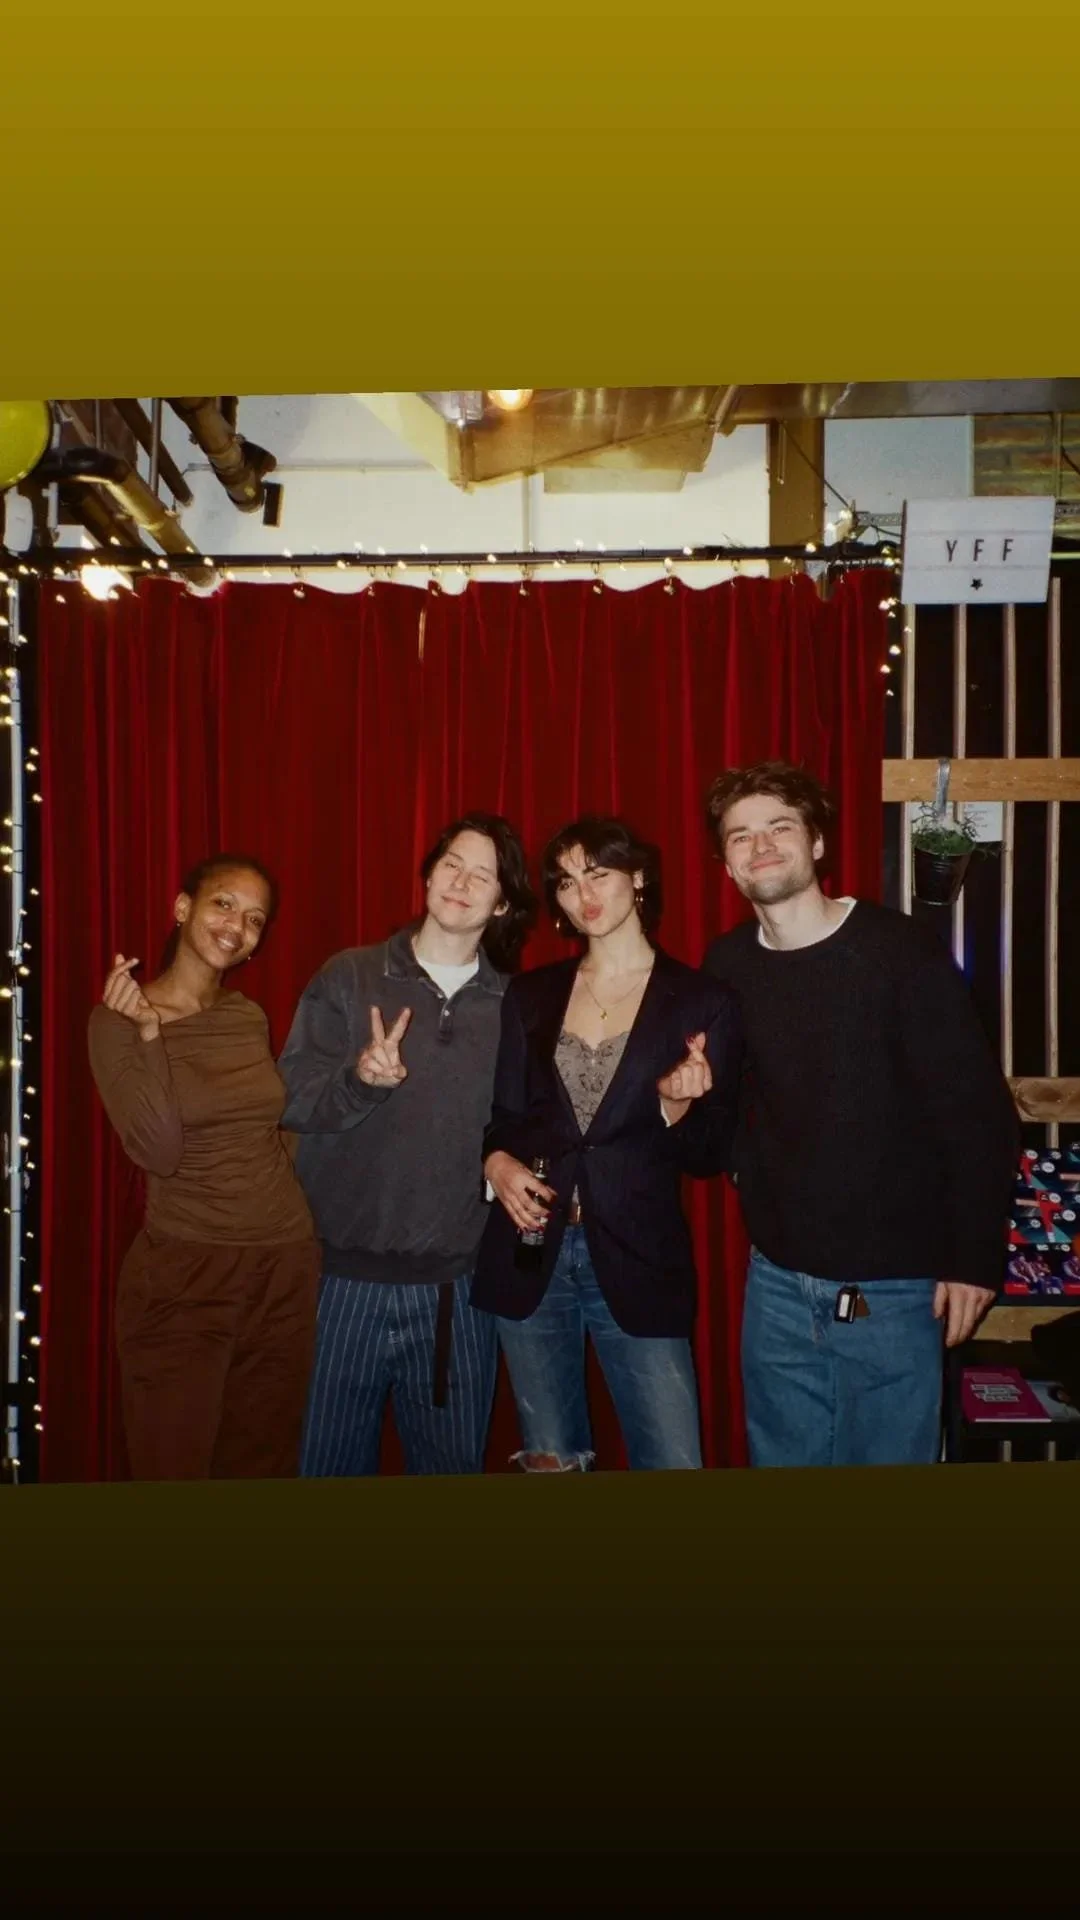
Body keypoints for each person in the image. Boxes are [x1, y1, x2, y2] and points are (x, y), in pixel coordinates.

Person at [701, 759, 1020, 1469]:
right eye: (740, 835)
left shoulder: (898, 951)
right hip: (777, 1284)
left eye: (780, 826)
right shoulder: (725, 965)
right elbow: (721, 1116)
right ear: (725, 865)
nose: (761, 846)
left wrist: (973, 1259)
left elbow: (976, 1114)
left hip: (896, 1290)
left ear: (817, 842)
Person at [471, 814, 742, 1472]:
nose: (582, 893)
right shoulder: (531, 995)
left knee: (672, 1460)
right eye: (566, 881)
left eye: (598, 872)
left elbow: (711, 1155)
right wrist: (495, 1161)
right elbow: (503, 1118)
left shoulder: (701, 1000)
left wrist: (677, 1105)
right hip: (531, 1248)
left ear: (639, 876)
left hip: (639, 1253)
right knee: (549, 1459)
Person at [278, 812, 535, 1477]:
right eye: (452, 862)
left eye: (484, 874)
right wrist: (360, 1080)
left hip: (457, 1288)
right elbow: (293, 1098)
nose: (462, 881)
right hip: (339, 1284)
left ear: (502, 901)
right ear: (427, 873)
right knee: (326, 1473)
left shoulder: (517, 1006)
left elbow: (525, 1128)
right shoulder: (349, 975)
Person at [87, 854, 319, 1481]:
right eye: (223, 904)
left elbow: (273, 1132)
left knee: (262, 1466)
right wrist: (149, 1035)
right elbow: (158, 1149)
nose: (236, 925)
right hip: (185, 1278)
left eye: (254, 918)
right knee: (173, 1469)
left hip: (284, 1269)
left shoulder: (246, 1016)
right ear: (183, 907)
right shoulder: (113, 1020)